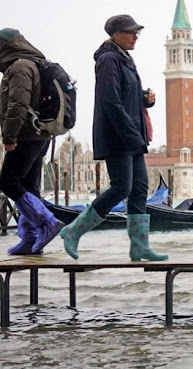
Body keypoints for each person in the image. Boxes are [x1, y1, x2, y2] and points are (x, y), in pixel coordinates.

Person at [60, 15, 167, 261]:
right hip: (118, 136)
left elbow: (125, 94)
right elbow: (110, 100)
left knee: (139, 187)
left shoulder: (125, 59)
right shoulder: (108, 59)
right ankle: (73, 231)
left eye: (137, 32)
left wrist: (143, 98)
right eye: (131, 32)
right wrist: (130, 133)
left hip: (132, 136)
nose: (136, 36)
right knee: (121, 187)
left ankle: (140, 246)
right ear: (116, 34)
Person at [0, 28, 64, 255]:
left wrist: (9, 136)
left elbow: (17, 104)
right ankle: (30, 240)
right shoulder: (33, 63)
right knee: (29, 187)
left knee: (7, 181)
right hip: (40, 135)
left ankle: (45, 222)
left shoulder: (20, 67)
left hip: (27, 134)